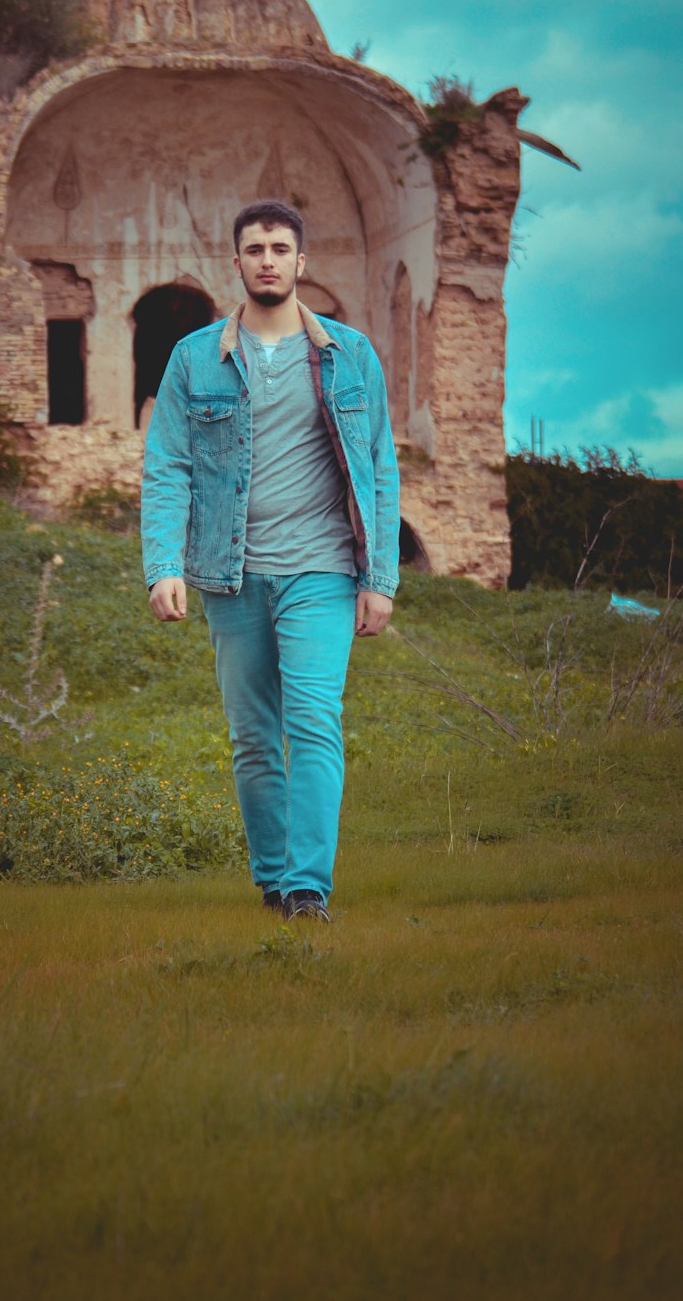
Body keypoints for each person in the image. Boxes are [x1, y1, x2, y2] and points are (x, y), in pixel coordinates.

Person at [141, 199, 400, 922]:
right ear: (237, 263)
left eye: (280, 248)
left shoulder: (351, 354)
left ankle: (308, 890)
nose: (267, 260)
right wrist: (163, 564)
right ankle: (274, 881)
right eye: (254, 248)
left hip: (321, 570)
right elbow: (168, 464)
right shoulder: (195, 358)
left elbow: (379, 465)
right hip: (231, 575)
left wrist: (379, 579)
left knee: (315, 720)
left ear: (300, 262)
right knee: (254, 736)